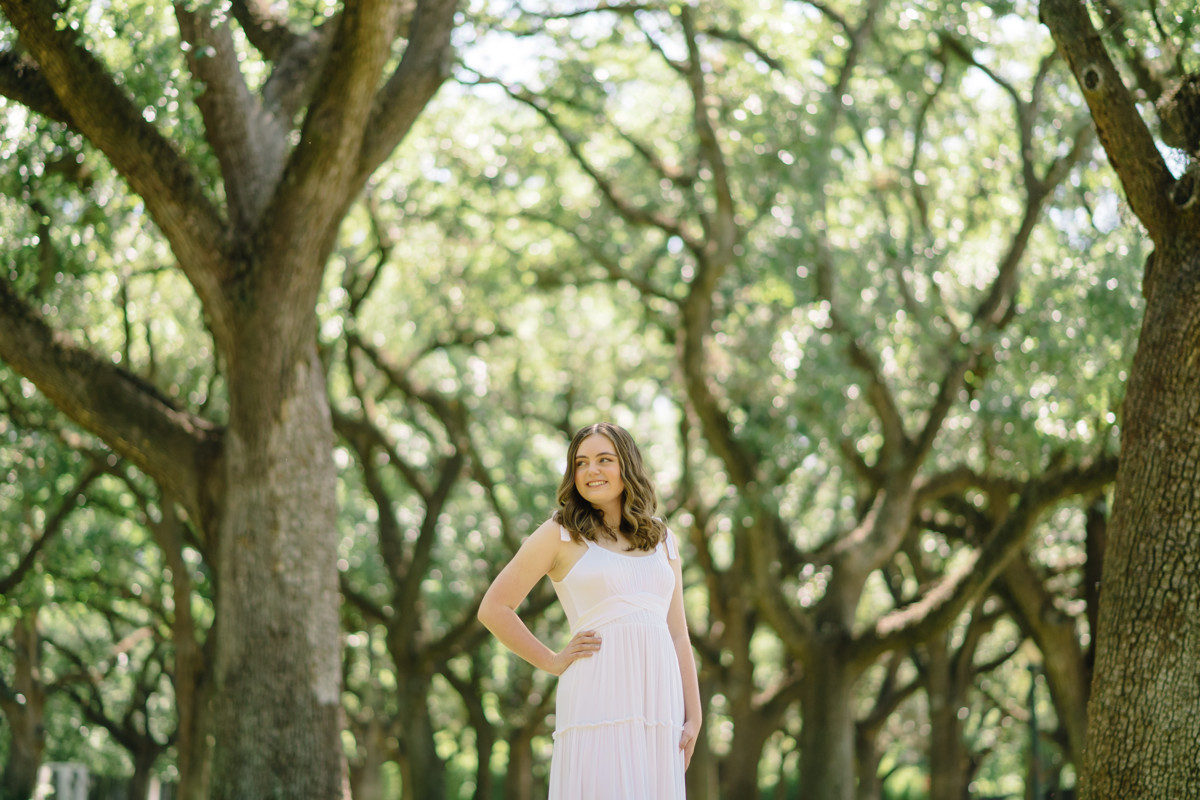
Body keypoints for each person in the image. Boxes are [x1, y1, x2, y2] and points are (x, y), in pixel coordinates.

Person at [478, 421, 702, 798]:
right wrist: (551, 660)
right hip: (598, 694)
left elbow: (677, 633)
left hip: (658, 702)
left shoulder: (663, 539)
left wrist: (694, 714)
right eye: (581, 463)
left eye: (604, 459)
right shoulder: (560, 533)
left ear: (627, 466)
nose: (591, 471)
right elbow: (494, 608)